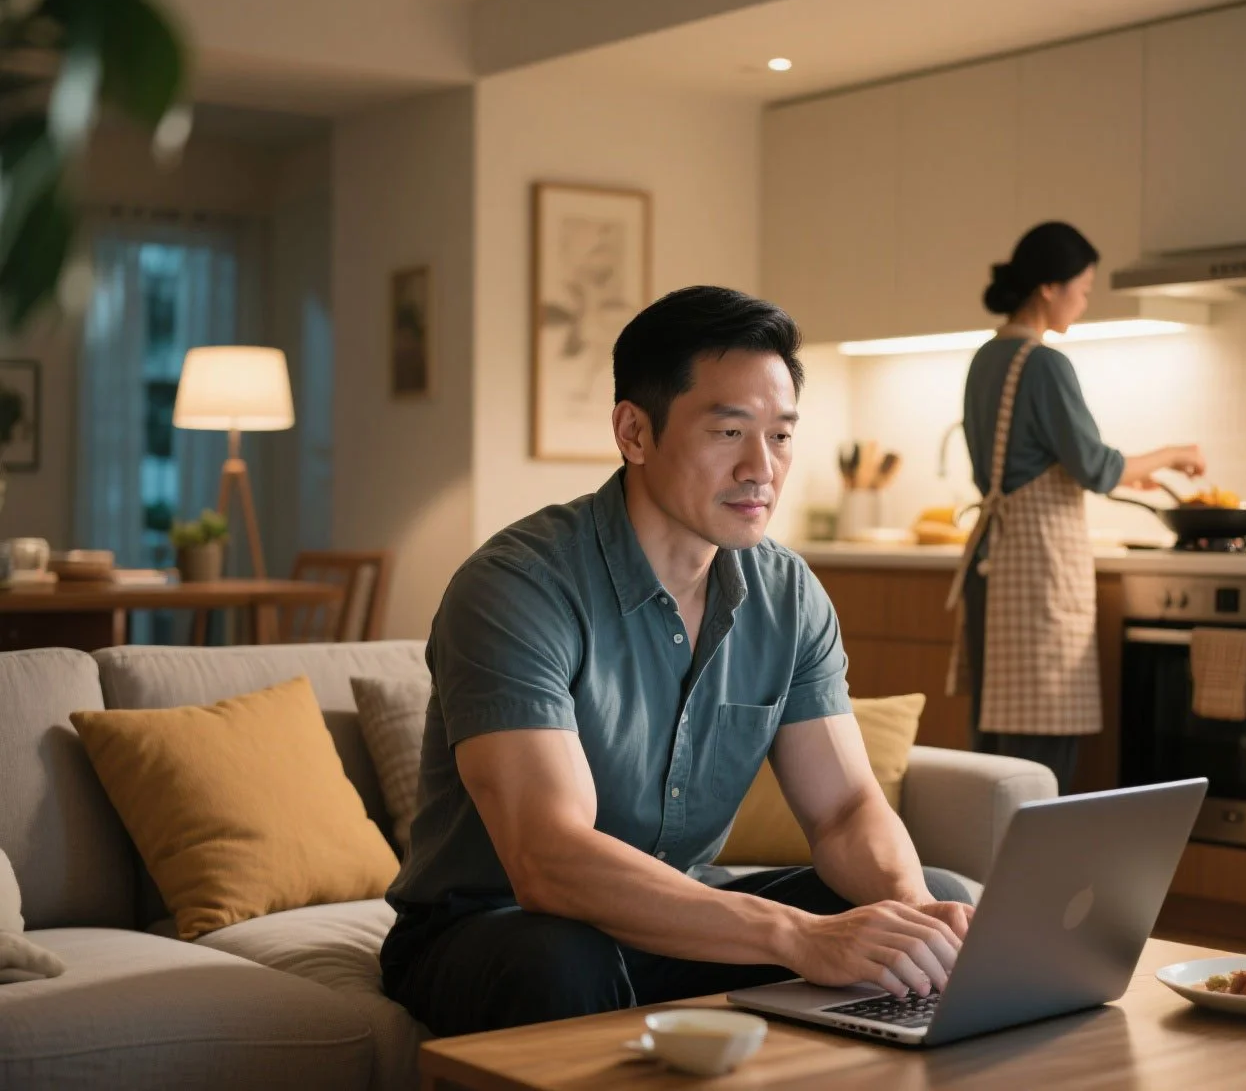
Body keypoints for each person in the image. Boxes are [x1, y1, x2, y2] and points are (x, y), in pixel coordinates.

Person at [380, 285, 973, 1035]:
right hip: (495, 929)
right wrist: (796, 935)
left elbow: (846, 810)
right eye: (729, 432)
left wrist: (909, 912)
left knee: (935, 904)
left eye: (782, 436)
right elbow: (547, 857)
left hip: (680, 918)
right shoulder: (518, 586)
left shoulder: (786, 593)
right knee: (562, 964)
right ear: (634, 432)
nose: (761, 468)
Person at [948, 223, 1206, 793]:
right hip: (1036, 566)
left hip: (993, 561)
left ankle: (982, 873)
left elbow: (1024, 464)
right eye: (1082, 289)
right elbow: (1096, 466)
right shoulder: (1044, 363)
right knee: (1041, 739)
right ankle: (1034, 876)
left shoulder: (985, 358)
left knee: (996, 741)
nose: (1084, 302)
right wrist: (1173, 455)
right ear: (1048, 287)